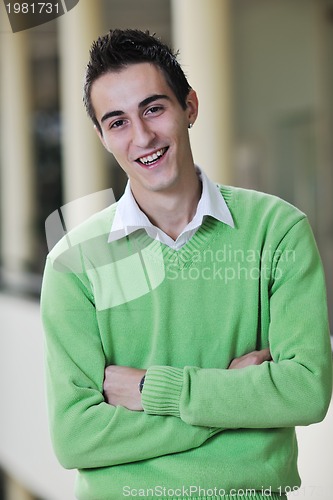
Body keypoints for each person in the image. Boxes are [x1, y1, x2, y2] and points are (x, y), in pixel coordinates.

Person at [41, 29, 332, 500]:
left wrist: (154, 391)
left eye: (154, 108)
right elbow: (76, 437)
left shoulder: (277, 231)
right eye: (117, 122)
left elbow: (305, 391)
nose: (142, 137)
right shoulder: (73, 264)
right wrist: (233, 402)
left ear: (189, 107)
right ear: (101, 137)